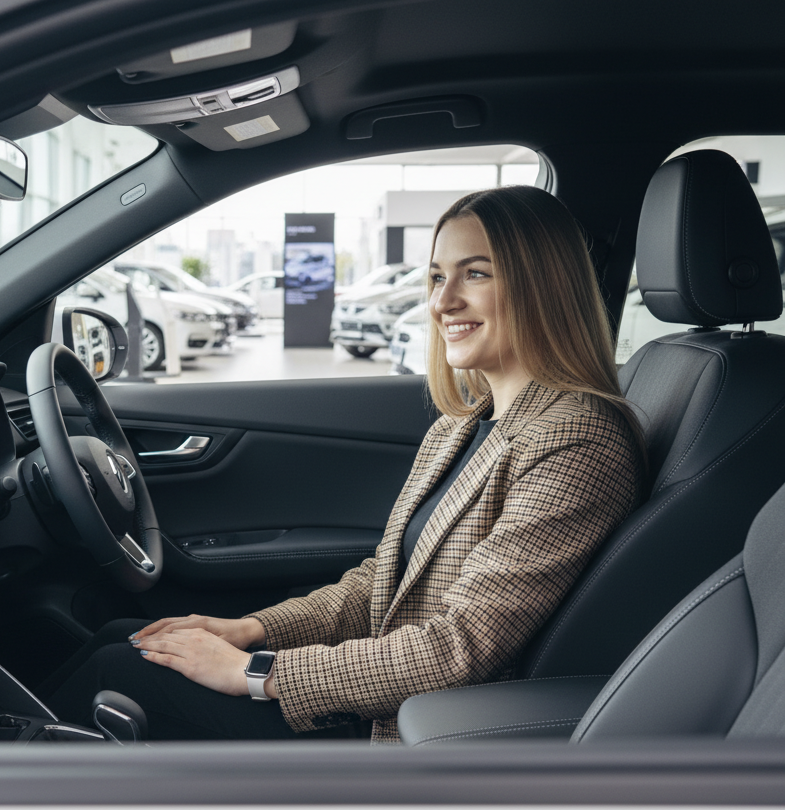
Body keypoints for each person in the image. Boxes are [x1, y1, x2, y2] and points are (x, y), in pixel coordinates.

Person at [44, 186, 644, 743]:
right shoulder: (461, 427)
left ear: (544, 285)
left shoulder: (577, 437)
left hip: (422, 728)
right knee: (121, 639)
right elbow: (382, 580)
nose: (442, 301)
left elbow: (460, 647)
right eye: (436, 277)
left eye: (476, 274)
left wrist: (255, 673)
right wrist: (250, 629)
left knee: (115, 671)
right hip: (377, 692)